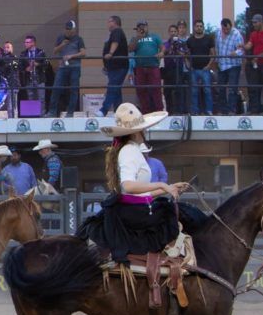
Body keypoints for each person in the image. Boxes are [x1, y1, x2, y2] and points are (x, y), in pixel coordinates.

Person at [77, 103, 199, 264]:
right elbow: (127, 186)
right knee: (180, 212)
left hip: (134, 208)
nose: (145, 131)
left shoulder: (131, 149)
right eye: (143, 128)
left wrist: (167, 189)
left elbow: (138, 195)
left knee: (172, 208)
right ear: (137, 132)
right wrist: (161, 186)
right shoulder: (129, 151)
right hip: (134, 213)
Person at [242, 14, 263, 114]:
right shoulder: (253, 34)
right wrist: (243, 46)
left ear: (261, 22)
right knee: (255, 87)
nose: (253, 24)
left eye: (255, 22)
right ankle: (254, 109)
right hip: (256, 64)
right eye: (253, 22)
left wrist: (259, 56)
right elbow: (249, 45)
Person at [50, 20, 85, 117]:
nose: (68, 31)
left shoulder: (79, 39)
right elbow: (54, 51)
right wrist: (62, 44)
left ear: (74, 30)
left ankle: (70, 112)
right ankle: (52, 111)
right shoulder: (60, 38)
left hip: (75, 67)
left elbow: (83, 53)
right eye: (66, 29)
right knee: (56, 88)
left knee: (73, 89)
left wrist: (71, 56)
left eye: (70, 29)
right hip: (62, 67)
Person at [130, 22, 164, 114]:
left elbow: (162, 47)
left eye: (143, 27)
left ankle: (159, 110)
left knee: (156, 89)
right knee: (141, 90)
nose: (142, 29)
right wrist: (138, 38)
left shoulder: (154, 36)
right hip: (140, 68)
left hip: (153, 67)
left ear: (147, 27)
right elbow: (130, 49)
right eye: (139, 27)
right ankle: (146, 111)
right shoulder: (134, 39)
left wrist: (161, 53)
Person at [99, 15, 129, 115]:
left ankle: (104, 110)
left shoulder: (117, 31)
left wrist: (110, 53)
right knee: (116, 89)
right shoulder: (113, 33)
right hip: (113, 67)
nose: (108, 24)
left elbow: (115, 42)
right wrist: (106, 66)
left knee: (112, 87)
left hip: (119, 66)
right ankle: (118, 111)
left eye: (109, 21)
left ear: (115, 22)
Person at [214, 17, 244, 115]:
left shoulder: (236, 34)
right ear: (221, 27)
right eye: (224, 29)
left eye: (228, 29)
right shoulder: (217, 33)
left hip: (233, 65)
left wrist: (236, 53)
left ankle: (232, 110)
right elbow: (216, 47)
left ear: (231, 26)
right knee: (221, 88)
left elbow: (241, 50)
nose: (226, 31)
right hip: (221, 64)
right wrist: (216, 60)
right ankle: (222, 110)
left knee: (232, 88)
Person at [185, 21, 216, 115]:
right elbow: (186, 54)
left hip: (205, 69)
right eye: (197, 26)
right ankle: (195, 111)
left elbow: (213, 54)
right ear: (194, 28)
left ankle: (209, 110)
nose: (199, 28)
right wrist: (188, 65)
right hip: (194, 69)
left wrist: (209, 65)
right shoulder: (190, 40)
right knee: (194, 91)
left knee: (207, 90)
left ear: (203, 28)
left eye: (201, 26)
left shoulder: (209, 39)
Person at [19, 33, 48, 113]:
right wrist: (26, 69)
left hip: (39, 78)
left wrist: (37, 64)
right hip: (29, 79)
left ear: (33, 43)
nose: (25, 44)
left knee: (41, 98)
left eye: (27, 42)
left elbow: (46, 64)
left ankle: (41, 117)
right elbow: (20, 66)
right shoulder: (23, 54)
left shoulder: (41, 52)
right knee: (30, 98)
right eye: (25, 42)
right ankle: (32, 117)